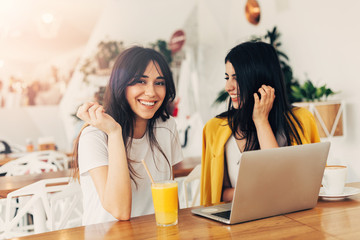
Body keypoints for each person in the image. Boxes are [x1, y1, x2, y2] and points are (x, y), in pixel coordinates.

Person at [73, 46, 183, 225]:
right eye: (141, 81)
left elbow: (169, 199)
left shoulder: (166, 126)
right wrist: (114, 133)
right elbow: (120, 210)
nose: (151, 92)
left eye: (160, 83)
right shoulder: (94, 136)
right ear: (121, 84)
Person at [200, 41, 320, 206]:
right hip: (238, 221)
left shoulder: (300, 120)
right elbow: (220, 192)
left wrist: (261, 121)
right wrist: (256, 193)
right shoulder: (215, 128)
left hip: (290, 219)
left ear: (260, 79)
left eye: (237, 78)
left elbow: (288, 186)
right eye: (227, 78)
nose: (228, 87)